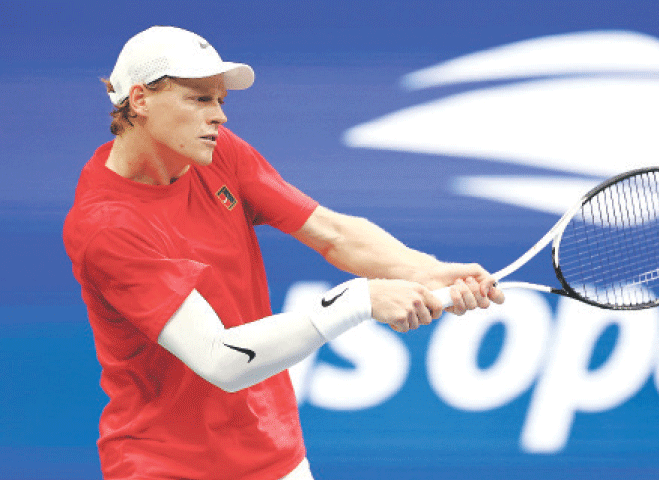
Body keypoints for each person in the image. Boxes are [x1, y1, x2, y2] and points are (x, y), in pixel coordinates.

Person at [63, 26, 504, 480]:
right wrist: (361, 300)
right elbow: (221, 359)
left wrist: (426, 271)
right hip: (168, 467)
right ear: (139, 100)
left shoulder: (216, 154)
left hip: (276, 458)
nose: (220, 117)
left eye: (220, 101)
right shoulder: (107, 228)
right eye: (200, 100)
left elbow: (332, 233)